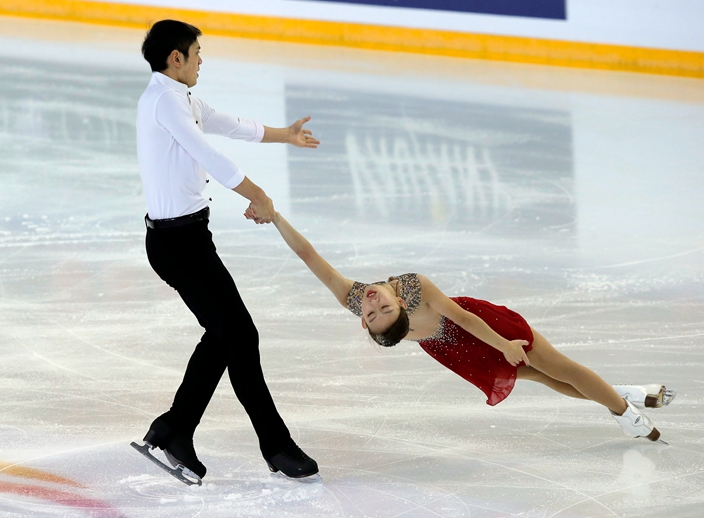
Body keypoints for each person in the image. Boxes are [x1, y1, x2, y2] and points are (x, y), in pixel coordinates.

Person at [253, 211, 675, 443]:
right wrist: (503, 348)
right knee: (539, 376)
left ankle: (625, 414)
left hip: (482, 325)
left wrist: (273, 216)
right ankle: (622, 395)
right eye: (376, 314)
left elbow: (309, 255)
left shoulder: (409, 286)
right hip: (452, 347)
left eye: (373, 310)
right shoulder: (396, 296)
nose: (371, 306)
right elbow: (457, 328)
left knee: (557, 367)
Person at [134, 19, 319, 483]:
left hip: (191, 239)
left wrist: (286, 134)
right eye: (196, 52)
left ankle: (175, 429)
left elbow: (231, 126)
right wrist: (259, 195)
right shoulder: (162, 102)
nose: (201, 60)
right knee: (240, 335)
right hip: (177, 245)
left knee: (226, 336)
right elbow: (209, 154)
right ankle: (276, 445)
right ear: (175, 58)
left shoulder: (181, 98)